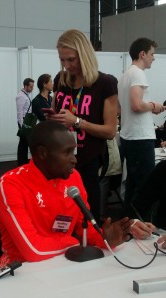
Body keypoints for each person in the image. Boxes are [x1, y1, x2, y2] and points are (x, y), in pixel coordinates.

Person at [0, 120, 133, 267]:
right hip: (20, 269)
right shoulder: (11, 183)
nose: (74, 159)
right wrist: (73, 243)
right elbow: (33, 250)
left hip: (62, 264)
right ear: (42, 153)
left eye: (73, 151)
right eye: (67, 152)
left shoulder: (73, 177)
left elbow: (85, 228)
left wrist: (104, 238)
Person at [47, 29, 118, 224]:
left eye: (71, 59)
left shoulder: (105, 83)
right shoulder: (60, 79)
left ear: (84, 55)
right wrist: (53, 118)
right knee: (60, 215)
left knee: (88, 217)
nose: (66, 65)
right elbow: (56, 110)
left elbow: (111, 131)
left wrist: (77, 122)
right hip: (59, 160)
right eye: (62, 60)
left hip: (87, 162)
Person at [118, 37, 165, 214]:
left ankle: (129, 225)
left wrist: (149, 107)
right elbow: (136, 105)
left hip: (130, 136)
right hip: (139, 137)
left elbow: (122, 109)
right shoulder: (137, 73)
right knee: (144, 186)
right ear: (142, 54)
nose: (154, 58)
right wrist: (153, 106)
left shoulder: (124, 76)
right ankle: (140, 227)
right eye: (152, 54)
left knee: (133, 184)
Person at [16, 78, 34, 166]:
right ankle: (21, 163)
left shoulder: (25, 95)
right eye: (31, 87)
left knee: (24, 143)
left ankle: (23, 162)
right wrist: (22, 125)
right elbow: (19, 112)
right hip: (24, 121)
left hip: (27, 120)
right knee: (23, 144)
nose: (32, 88)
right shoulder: (21, 96)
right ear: (25, 86)